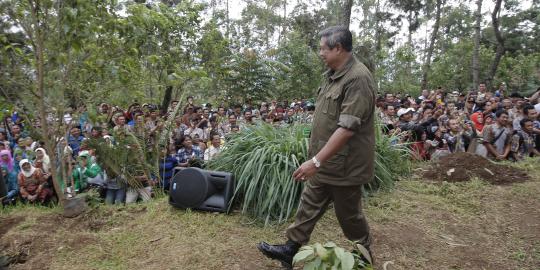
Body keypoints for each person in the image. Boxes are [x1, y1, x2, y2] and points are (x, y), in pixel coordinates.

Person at [258, 26, 376, 268]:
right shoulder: (332, 74)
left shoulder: (358, 79)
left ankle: (364, 256)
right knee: (309, 203)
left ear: (338, 48)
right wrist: (317, 159)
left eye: (323, 48)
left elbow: (347, 128)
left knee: (349, 215)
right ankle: (290, 249)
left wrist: (316, 161)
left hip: (345, 164)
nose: (320, 53)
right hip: (326, 160)